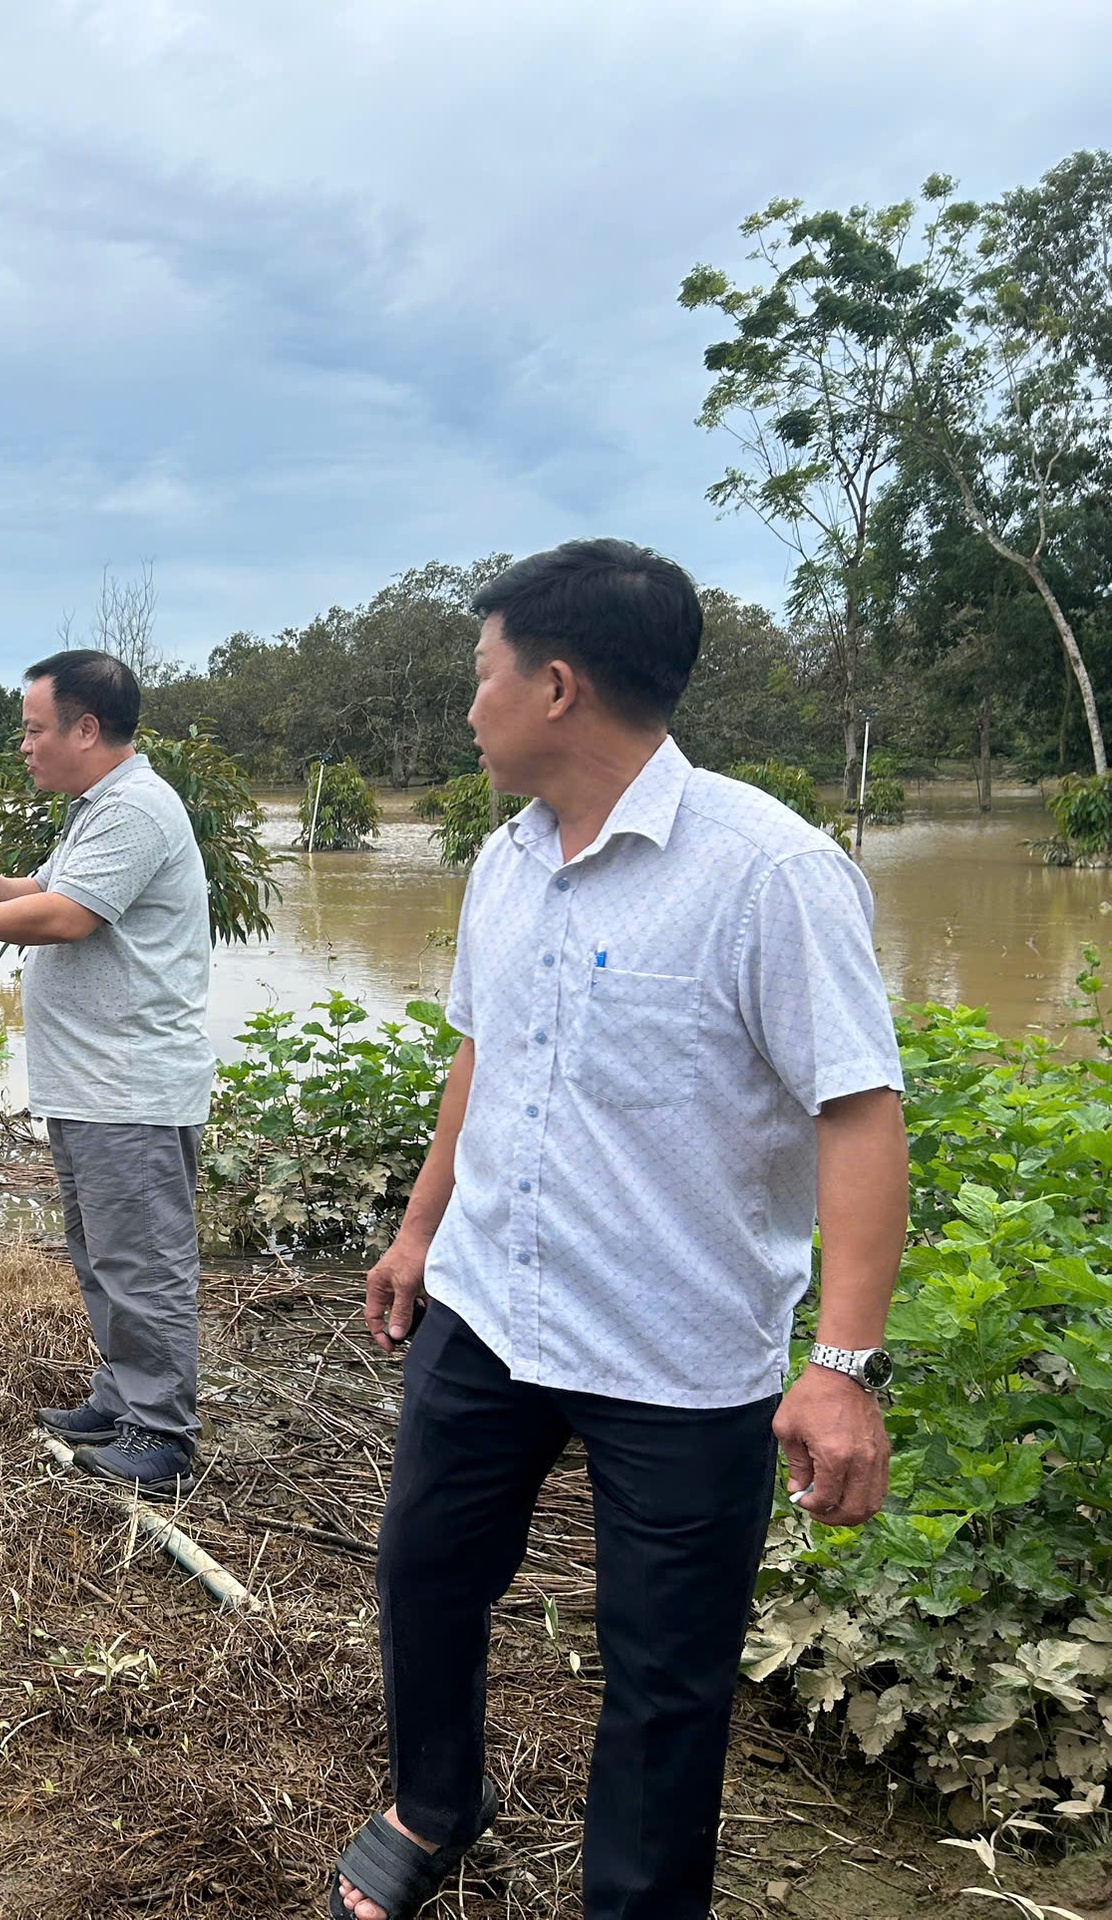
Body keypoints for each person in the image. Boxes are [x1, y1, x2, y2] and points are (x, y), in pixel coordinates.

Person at [330, 540, 909, 1920]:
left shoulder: (770, 874)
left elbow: (859, 1116)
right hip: (490, 1309)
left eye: (483, 675)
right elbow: (484, 1056)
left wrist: (843, 1365)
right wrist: (420, 1234)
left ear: (558, 686)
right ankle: (430, 1804)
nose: (468, 708)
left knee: (664, 1677)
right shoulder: (505, 862)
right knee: (424, 1573)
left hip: (677, 1351)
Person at [0, 649, 213, 1492]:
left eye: (35, 730)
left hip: (130, 1085)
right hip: (95, 1083)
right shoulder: (98, 808)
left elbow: (68, 916)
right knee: (104, 1251)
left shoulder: (136, 807)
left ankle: (163, 1433)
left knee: (141, 1256)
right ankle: (123, 1397)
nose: (26, 746)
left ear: (86, 727)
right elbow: (60, 887)